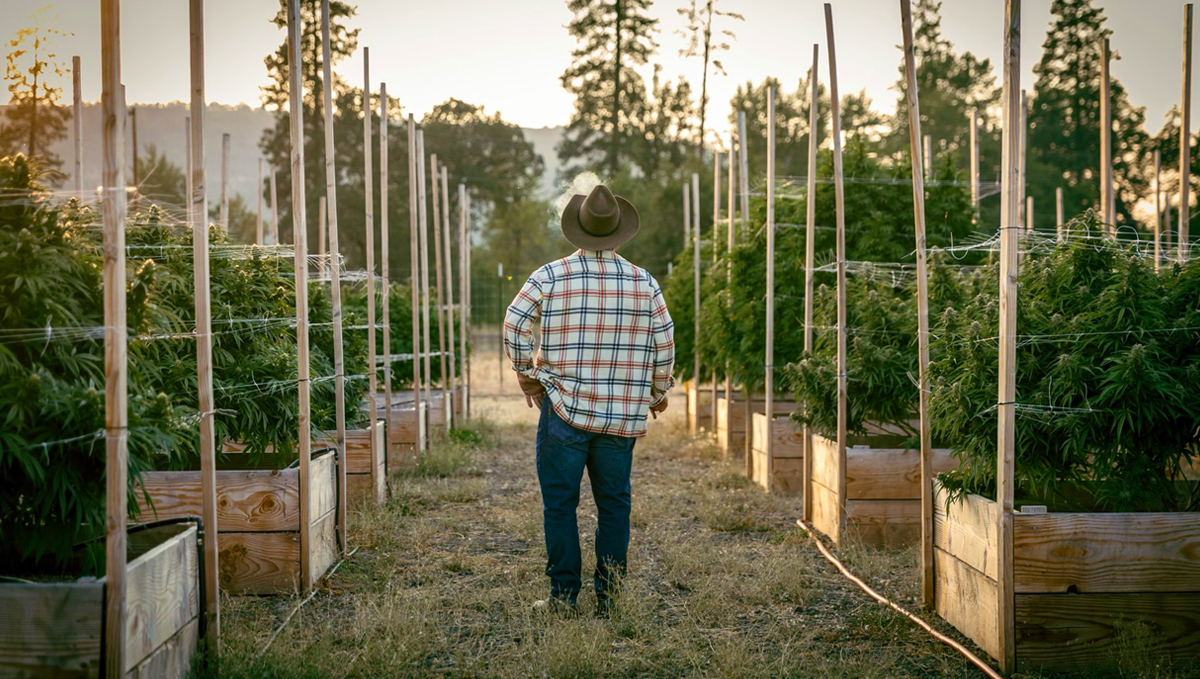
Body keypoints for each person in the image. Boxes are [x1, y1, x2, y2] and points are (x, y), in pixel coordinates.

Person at [503, 183, 675, 615]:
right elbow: (665, 342)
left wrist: (528, 376)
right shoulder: (644, 282)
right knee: (614, 505)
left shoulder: (551, 275)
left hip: (564, 410)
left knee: (560, 505)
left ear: (576, 230)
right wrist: (656, 392)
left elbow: (513, 322)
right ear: (619, 231)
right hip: (621, 417)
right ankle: (610, 598)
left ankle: (563, 599)